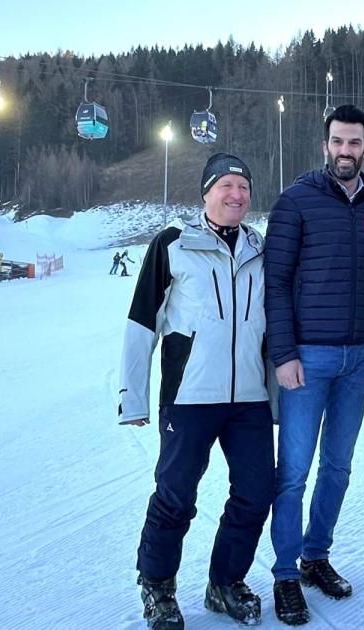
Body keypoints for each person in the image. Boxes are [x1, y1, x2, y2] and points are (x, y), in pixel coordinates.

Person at [118, 153, 272, 629]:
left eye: (243, 187)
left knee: (255, 492)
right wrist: (134, 397)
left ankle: (225, 581)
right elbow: (142, 321)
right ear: (205, 193)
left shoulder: (258, 246)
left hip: (248, 397)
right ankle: (158, 587)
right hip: (189, 398)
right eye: (225, 185)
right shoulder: (173, 244)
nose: (236, 195)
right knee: (175, 496)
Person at [264, 104, 364, 626]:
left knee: (338, 467)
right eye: (337, 142)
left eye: (354, 143)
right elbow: (275, 283)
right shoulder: (296, 201)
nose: (346, 151)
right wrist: (285, 353)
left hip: (359, 355)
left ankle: (315, 556)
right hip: (309, 357)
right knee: (293, 471)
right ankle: (283, 573)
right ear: (326, 145)